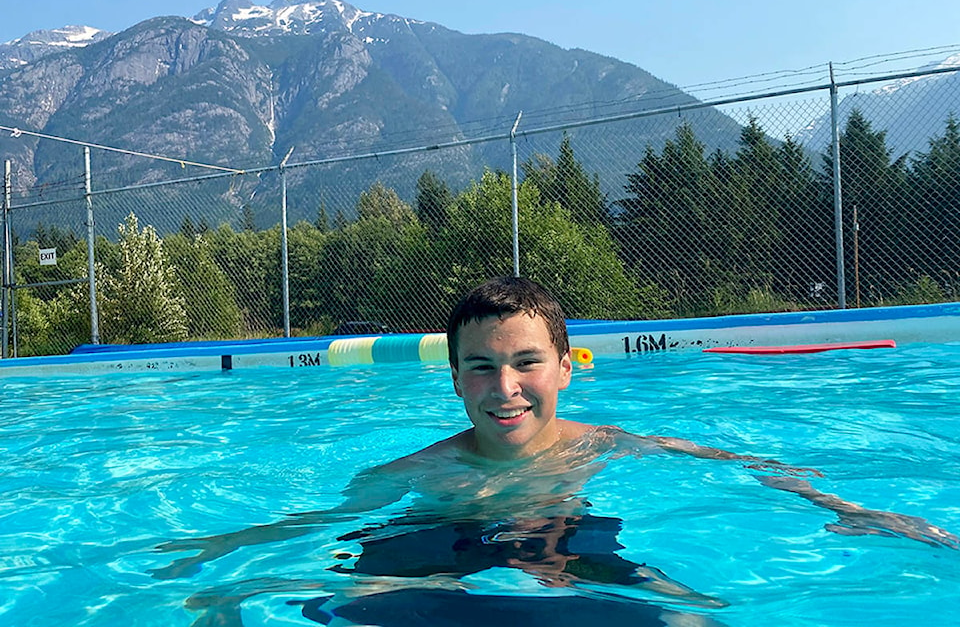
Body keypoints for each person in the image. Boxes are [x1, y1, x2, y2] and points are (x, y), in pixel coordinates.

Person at [152, 277, 957, 622]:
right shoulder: (421, 471)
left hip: (563, 537)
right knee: (350, 611)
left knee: (691, 613)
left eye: (526, 362)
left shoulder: (605, 444)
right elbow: (319, 520)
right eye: (482, 368)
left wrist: (857, 511)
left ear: (565, 371)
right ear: (457, 385)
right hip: (438, 539)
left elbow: (742, 468)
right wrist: (224, 556)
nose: (506, 386)